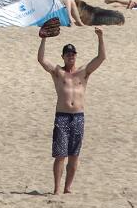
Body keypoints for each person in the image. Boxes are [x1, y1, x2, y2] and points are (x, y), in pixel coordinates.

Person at [37, 29, 105, 195]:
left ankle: (68, 188)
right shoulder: (58, 73)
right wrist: (44, 39)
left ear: (76, 55)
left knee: (74, 155)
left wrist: (100, 37)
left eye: (72, 54)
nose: (70, 56)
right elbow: (41, 59)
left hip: (78, 117)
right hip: (62, 117)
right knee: (60, 155)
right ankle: (56, 189)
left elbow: (101, 58)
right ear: (63, 57)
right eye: (67, 54)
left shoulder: (83, 72)